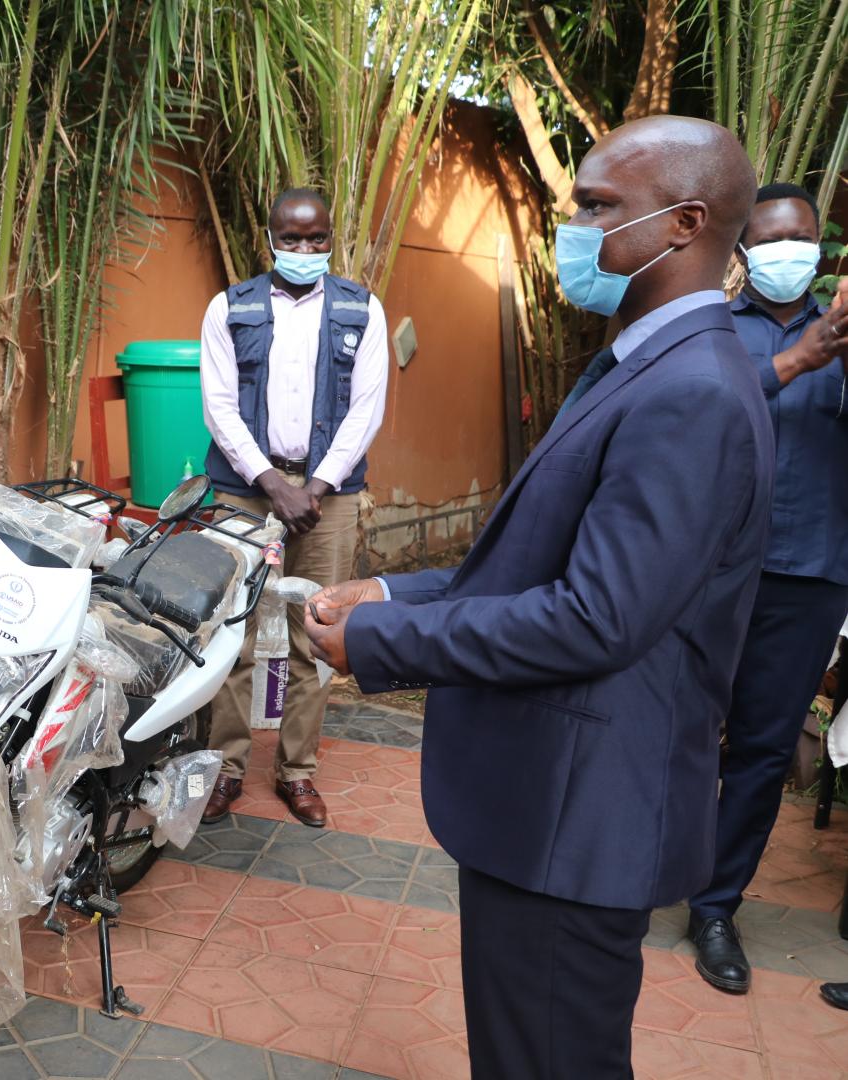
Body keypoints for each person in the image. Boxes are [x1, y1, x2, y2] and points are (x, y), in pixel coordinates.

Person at [302, 116, 774, 1077]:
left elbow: (597, 617)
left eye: (600, 208)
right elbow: (543, 567)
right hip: (554, 807)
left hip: (581, 818)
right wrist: (391, 586)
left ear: (684, 223)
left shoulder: (693, 393)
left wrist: (386, 643)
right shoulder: (645, 361)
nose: (576, 232)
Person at [686, 183, 848, 994]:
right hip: (706, 568)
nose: (791, 253)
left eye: (804, 240)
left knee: (758, 749)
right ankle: (640, 869)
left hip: (811, 571)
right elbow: (694, 419)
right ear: (744, 251)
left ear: (821, 249)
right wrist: (800, 358)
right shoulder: (710, 329)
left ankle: (716, 906)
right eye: (774, 239)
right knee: (677, 727)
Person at [197, 187, 390, 827]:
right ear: (270, 237)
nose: (304, 250)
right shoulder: (230, 307)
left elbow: (367, 407)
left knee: (318, 627)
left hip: (327, 496)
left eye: (316, 240)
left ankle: (297, 771)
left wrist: (318, 485)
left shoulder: (362, 310)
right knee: (234, 631)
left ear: (331, 239)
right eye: (292, 239)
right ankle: (223, 768)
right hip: (243, 489)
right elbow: (219, 405)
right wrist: (270, 482)